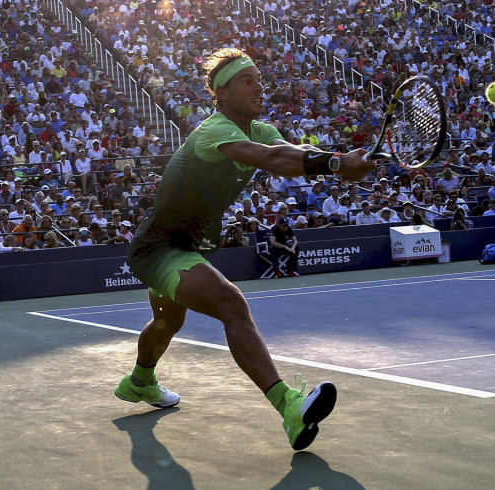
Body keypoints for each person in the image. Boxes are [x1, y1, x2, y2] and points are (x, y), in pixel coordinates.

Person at [116, 49, 373, 451]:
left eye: (259, 78)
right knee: (231, 303)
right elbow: (269, 160)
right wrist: (338, 165)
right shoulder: (213, 130)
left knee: (166, 324)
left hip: (187, 244)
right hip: (159, 246)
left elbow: (290, 153)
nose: (259, 86)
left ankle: (139, 382)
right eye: (246, 81)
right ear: (221, 94)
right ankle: (288, 405)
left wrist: (338, 161)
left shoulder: (260, 129)